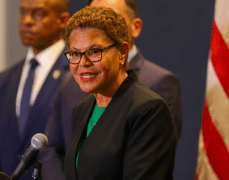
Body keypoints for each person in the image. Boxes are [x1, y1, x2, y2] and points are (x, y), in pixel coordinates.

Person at [41, 0, 182, 179]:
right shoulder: (83, 109)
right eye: (75, 53)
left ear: (122, 52)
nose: (83, 63)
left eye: (94, 51)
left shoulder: (148, 110)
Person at [0, 0, 70, 179]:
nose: (27, 21)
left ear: (62, 20)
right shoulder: (4, 79)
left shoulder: (76, 75)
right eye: (23, 13)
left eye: (38, 14)